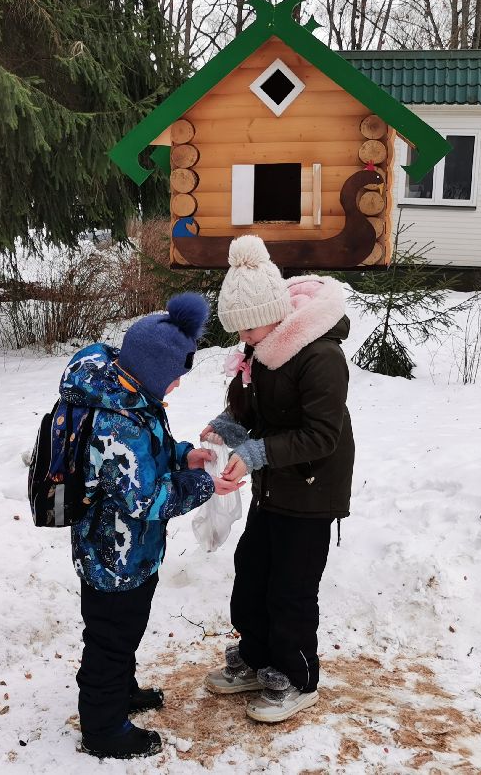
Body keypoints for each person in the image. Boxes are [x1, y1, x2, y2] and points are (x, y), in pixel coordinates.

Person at [61, 292, 245, 759]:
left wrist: (186, 454)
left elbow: (153, 451)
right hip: (112, 557)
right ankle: (103, 729)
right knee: (109, 638)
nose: (178, 386)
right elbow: (144, 498)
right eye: (176, 377)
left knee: (124, 631)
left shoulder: (133, 399)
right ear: (152, 371)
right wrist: (204, 485)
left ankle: (120, 693)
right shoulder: (115, 423)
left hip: (130, 554)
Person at [200, 235, 355, 723]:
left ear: (275, 312)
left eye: (248, 326)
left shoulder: (319, 356)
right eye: (238, 329)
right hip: (273, 488)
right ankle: (257, 660)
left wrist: (255, 453)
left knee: (290, 588)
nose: (243, 337)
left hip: (311, 492)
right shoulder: (264, 348)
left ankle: (297, 676)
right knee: (253, 575)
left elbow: (321, 436)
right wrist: (226, 426)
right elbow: (254, 407)